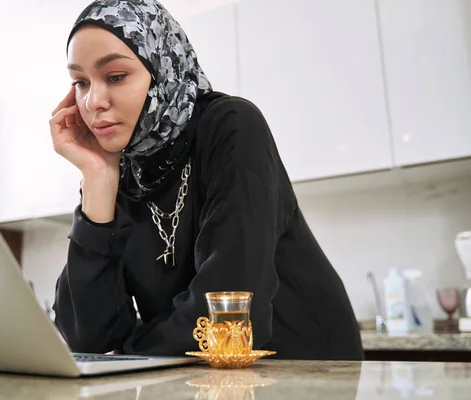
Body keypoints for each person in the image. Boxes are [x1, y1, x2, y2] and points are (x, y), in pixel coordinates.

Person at [50, 0, 363, 360]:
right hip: (199, 376)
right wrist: (97, 177)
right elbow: (87, 337)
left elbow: (232, 322)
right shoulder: (122, 169)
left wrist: (127, 352)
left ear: (162, 68)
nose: (93, 102)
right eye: (80, 82)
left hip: (306, 368)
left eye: (116, 77)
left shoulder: (231, 125)